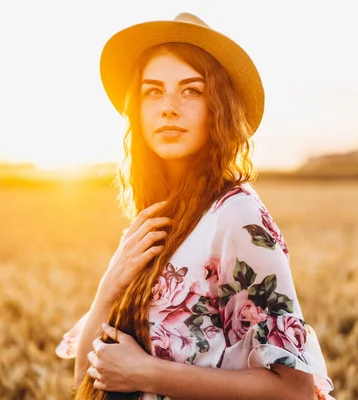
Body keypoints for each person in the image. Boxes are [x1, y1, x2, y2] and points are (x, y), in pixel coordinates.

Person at [55, 12, 335, 400]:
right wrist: (108, 287)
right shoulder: (154, 220)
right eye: (153, 91)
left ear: (216, 107)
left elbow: (295, 391)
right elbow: (87, 376)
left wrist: (148, 374)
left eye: (191, 90)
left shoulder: (236, 216)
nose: (169, 106)